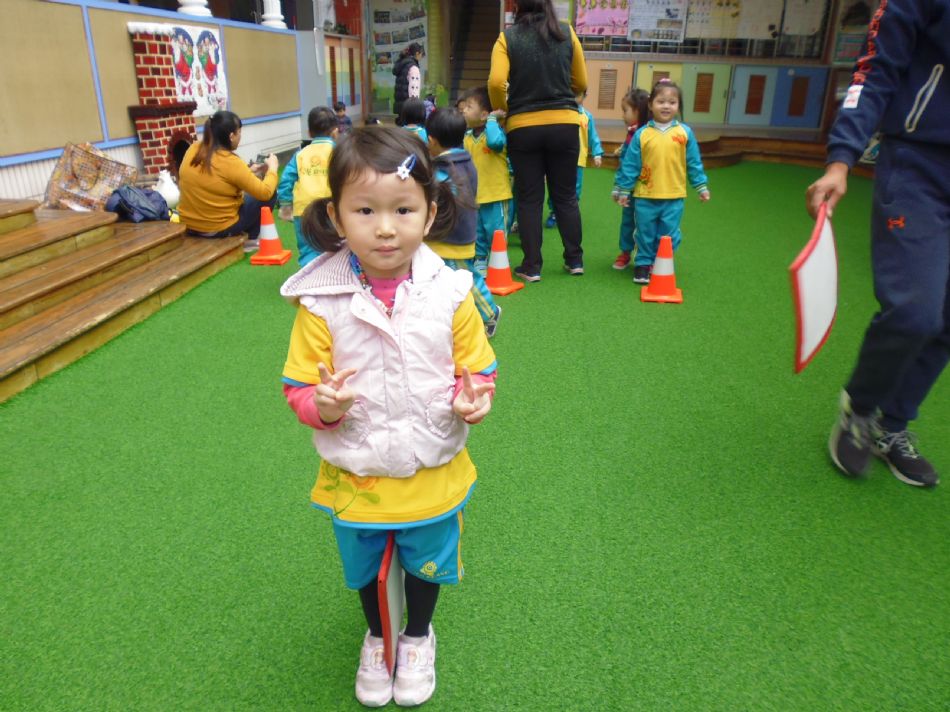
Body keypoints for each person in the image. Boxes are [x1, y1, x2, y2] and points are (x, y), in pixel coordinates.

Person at [279, 126, 498, 707]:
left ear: (429, 213)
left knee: (427, 563)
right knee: (365, 565)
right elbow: (299, 387)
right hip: (360, 470)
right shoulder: (320, 302)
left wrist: (474, 398)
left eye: (402, 209)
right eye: (365, 210)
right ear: (336, 215)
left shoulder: (452, 292)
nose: (384, 227)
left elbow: (477, 369)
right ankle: (379, 637)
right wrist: (323, 407)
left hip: (431, 463)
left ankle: (418, 636)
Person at [805, 0, 947, 488]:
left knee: (947, 318)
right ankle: (860, 409)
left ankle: (894, 426)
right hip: (920, 166)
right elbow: (873, 73)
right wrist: (841, 159)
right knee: (915, 312)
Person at [488, 0, 588, 281]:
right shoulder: (567, 32)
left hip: (523, 127)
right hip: (565, 124)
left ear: (518, 6)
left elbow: (495, 82)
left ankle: (531, 266)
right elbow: (581, 82)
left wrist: (503, 109)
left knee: (530, 198)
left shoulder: (507, 38)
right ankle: (574, 260)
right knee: (565, 196)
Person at [612, 79, 710, 284]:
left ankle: (659, 263)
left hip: (674, 196)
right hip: (645, 195)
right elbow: (631, 164)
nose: (666, 106)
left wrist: (700, 185)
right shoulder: (642, 134)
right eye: (661, 101)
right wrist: (624, 189)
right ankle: (642, 264)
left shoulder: (684, 133)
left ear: (678, 106)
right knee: (645, 232)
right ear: (650, 105)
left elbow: (693, 162)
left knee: (668, 234)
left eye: (672, 102)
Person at [426, 107, 503, 338]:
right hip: (457, 233)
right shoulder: (465, 160)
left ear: (432, 140)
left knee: (466, 279)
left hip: (453, 238)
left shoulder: (444, 171)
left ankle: (490, 312)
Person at [177, 110, 278, 252]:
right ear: (231, 136)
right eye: (239, 132)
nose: (240, 136)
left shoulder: (193, 149)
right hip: (217, 228)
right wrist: (272, 168)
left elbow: (216, 179)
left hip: (189, 225)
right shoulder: (231, 162)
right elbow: (265, 192)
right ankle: (250, 239)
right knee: (271, 193)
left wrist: (249, 171)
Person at [458, 86, 513, 273]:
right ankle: (480, 259)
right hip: (475, 196)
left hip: (496, 194)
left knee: (496, 232)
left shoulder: (494, 132)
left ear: (483, 115)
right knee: (477, 230)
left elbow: (495, 143)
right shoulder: (467, 137)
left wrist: (492, 120)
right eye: (464, 107)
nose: (464, 110)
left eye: (469, 107)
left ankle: (498, 261)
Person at [277, 106, 338, 267]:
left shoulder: (300, 154)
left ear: (309, 132)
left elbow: (286, 180)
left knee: (308, 249)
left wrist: (285, 205)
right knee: (335, 246)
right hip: (331, 208)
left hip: (303, 210)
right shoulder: (338, 152)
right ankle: (334, 275)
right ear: (335, 131)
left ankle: (309, 276)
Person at [545, 90, 604, 229]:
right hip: (559, 159)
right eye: (571, 93)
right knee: (556, 185)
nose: (573, 97)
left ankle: (569, 213)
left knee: (575, 188)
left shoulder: (587, 116)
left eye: (577, 94)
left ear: (585, 96)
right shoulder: (561, 113)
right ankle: (554, 212)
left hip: (578, 160)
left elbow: (593, 136)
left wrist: (597, 154)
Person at [612, 87, 650, 270]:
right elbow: (625, 164)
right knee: (627, 221)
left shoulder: (648, 134)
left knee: (646, 223)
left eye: (625, 110)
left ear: (638, 111)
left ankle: (646, 256)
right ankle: (625, 252)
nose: (622, 115)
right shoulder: (631, 133)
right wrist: (618, 186)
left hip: (647, 190)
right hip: (629, 190)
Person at [392, 42, 424, 116]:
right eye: (421, 54)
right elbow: (414, 89)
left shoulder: (402, 64)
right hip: (409, 107)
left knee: (401, 122)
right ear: (417, 53)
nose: (421, 57)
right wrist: (415, 107)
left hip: (400, 104)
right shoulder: (413, 68)